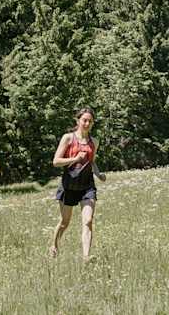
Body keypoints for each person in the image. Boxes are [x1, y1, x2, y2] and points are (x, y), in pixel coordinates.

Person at [49, 108, 107, 262]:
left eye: (90, 121)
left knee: (88, 221)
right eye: (84, 120)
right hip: (69, 186)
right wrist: (74, 159)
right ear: (78, 121)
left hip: (87, 187)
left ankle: (86, 257)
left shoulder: (94, 142)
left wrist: (98, 174)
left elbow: (92, 161)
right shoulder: (68, 138)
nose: (87, 123)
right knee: (64, 222)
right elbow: (56, 162)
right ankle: (54, 245)